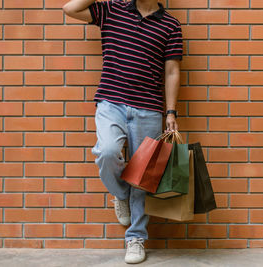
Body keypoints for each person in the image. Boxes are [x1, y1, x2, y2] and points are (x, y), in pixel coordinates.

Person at [63, 0, 183, 264]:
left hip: (149, 108)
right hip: (111, 102)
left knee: (143, 176)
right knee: (107, 153)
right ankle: (121, 195)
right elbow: (70, 9)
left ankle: (136, 238)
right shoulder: (111, 9)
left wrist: (171, 112)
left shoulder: (170, 25)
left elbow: (172, 70)